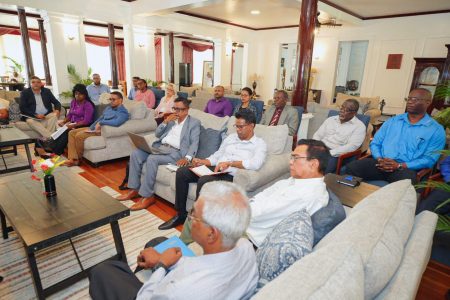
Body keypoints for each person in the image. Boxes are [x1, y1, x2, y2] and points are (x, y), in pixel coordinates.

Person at [89, 181, 258, 300]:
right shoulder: (246, 247)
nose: (189, 219)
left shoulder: (181, 291)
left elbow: (146, 297)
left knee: (103, 270)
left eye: (193, 216)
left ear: (212, 234)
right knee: (157, 243)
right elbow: (203, 266)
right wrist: (169, 261)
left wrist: (161, 266)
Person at [179, 139, 332, 248]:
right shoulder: (294, 181)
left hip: (250, 234)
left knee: (199, 214)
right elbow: (262, 197)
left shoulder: (307, 193)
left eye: (295, 158)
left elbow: (264, 211)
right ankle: (181, 251)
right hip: (248, 219)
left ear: (314, 164)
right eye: (291, 157)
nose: (290, 162)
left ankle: (180, 257)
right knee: (199, 210)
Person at [158, 109, 267, 230]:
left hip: (230, 175)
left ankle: (197, 222)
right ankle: (181, 214)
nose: (238, 130)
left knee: (204, 181)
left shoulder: (259, 144)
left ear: (251, 126)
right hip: (216, 169)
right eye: (236, 126)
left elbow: (256, 163)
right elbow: (218, 155)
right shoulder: (231, 138)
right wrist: (203, 161)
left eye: (241, 127)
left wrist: (230, 163)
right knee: (182, 172)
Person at [346, 88, 446, 184]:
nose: (410, 102)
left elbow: (429, 159)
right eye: (409, 99)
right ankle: (350, 198)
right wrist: (380, 158)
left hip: (405, 169)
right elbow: (376, 143)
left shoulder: (436, 130)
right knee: (352, 168)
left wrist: (399, 165)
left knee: (407, 182)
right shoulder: (392, 121)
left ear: (428, 102)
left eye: (415, 99)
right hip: (381, 163)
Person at [117, 97, 201, 211]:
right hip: (160, 148)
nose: (176, 112)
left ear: (187, 110)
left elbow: (194, 143)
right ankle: (134, 189)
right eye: (174, 108)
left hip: (175, 152)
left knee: (152, 159)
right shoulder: (171, 120)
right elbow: (157, 134)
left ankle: (148, 196)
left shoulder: (194, 123)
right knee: (136, 153)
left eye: (179, 109)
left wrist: (187, 158)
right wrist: (165, 122)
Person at [64, 91, 128, 167]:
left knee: (79, 136)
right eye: (110, 99)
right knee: (71, 132)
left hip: (101, 131)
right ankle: (72, 158)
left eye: (113, 99)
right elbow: (100, 118)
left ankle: (77, 160)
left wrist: (101, 123)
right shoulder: (108, 108)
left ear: (120, 100)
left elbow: (116, 122)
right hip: (94, 128)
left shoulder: (123, 112)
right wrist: (91, 128)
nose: (111, 101)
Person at [36, 84, 95, 157]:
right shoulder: (74, 102)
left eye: (80, 94)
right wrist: (64, 121)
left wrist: (73, 125)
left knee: (66, 131)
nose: (78, 96)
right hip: (73, 123)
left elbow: (87, 121)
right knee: (60, 131)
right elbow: (70, 114)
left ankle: (54, 151)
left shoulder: (88, 105)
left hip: (83, 125)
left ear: (85, 94)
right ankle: (49, 147)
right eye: (76, 93)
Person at [313, 99, 366, 173]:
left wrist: (330, 152)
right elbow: (318, 135)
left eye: (346, 110)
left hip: (335, 154)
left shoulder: (359, 126)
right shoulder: (330, 120)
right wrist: (316, 146)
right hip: (320, 147)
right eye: (342, 108)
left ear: (354, 113)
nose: (342, 111)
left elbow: (352, 146)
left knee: (319, 170)